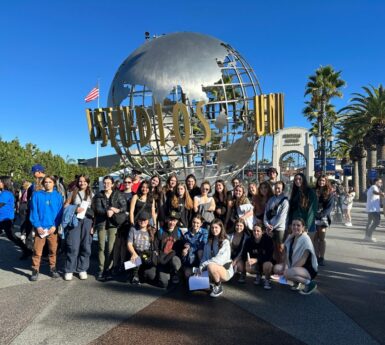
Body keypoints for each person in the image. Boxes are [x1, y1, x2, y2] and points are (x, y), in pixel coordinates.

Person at [93, 175, 127, 281]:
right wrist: (108, 211)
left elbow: (124, 206)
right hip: (102, 223)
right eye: (105, 182)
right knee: (101, 247)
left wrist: (116, 210)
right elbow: (97, 209)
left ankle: (108, 269)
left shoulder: (118, 194)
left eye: (108, 183)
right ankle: (101, 269)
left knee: (111, 248)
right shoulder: (99, 195)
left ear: (112, 184)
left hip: (113, 223)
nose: (106, 184)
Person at [29, 175, 63, 281]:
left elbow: (60, 213)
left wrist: (55, 225)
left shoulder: (58, 196)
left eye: (50, 182)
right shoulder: (36, 195)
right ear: (43, 183)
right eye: (46, 182)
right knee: (37, 251)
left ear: (54, 183)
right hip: (40, 228)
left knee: (53, 250)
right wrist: (38, 226)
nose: (47, 184)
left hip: (52, 229)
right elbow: (33, 211)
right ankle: (35, 270)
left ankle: (53, 268)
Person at [274, 218, 318, 295]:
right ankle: (297, 283)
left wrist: (288, 271)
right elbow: (286, 257)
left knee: (287, 273)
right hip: (296, 267)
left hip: (308, 269)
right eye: (294, 225)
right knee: (276, 268)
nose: (295, 227)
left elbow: (303, 260)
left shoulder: (306, 239)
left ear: (303, 227)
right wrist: (284, 268)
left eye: (298, 225)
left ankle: (309, 283)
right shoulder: (290, 237)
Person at [63, 175, 94, 281]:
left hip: (87, 221)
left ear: (88, 183)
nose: (82, 183)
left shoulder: (92, 194)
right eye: (80, 181)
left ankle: (82, 269)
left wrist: (93, 225)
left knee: (86, 246)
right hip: (75, 221)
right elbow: (65, 206)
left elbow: (96, 211)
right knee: (73, 246)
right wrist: (75, 208)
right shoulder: (73, 193)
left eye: (84, 181)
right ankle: (69, 270)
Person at [198, 219, 234, 298]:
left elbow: (220, 260)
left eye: (216, 227)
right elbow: (205, 257)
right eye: (212, 228)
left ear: (221, 228)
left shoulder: (225, 242)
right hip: (210, 269)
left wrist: (204, 265)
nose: (214, 230)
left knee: (211, 266)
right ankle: (211, 283)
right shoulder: (209, 242)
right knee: (195, 283)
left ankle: (218, 286)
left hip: (224, 271)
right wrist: (200, 267)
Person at [0, 176, 32, 258]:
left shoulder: (6, 193)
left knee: (12, 236)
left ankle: (27, 250)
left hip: (5, 218)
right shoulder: (5, 192)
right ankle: (26, 250)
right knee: (11, 236)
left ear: (4, 183)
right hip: (4, 218)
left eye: (0, 181)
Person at [127, 212, 157, 285]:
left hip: (147, 256)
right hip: (136, 254)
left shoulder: (152, 231)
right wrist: (134, 254)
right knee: (130, 264)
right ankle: (134, 275)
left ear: (148, 221)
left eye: (144, 220)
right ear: (137, 220)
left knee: (151, 276)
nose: (142, 222)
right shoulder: (133, 229)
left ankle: (139, 272)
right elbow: (129, 244)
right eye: (141, 220)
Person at [154, 211, 184, 287]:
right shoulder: (160, 231)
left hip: (173, 258)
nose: (172, 223)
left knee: (175, 260)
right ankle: (164, 273)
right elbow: (156, 247)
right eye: (170, 220)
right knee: (164, 284)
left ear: (177, 221)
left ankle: (175, 273)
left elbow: (181, 247)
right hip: (163, 259)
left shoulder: (178, 232)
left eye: (174, 220)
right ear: (167, 220)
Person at [263, 181, 289, 264]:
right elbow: (266, 213)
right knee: (274, 248)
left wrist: (272, 227)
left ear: (282, 189)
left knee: (280, 248)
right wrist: (266, 224)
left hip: (279, 228)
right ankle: (277, 266)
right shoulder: (271, 199)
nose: (277, 190)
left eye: (279, 188)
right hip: (270, 227)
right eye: (276, 188)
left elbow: (282, 217)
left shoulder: (285, 201)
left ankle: (282, 267)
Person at [113, 176, 134, 273]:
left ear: (132, 183)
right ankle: (116, 265)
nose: (127, 184)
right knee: (118, 244)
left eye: (129, 182)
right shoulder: (118, 194)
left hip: (129, 223)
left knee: (126, 245)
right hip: (119, 222)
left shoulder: (134, 195)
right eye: (125, 182)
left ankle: (124, 265)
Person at [242, 224, 274, 289]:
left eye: (258, 231)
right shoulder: (249, 241)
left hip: (265, 262)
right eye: (254, 230)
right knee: (248, 266)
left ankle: (267, 279)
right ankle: (258, 275)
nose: (256, 232)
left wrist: (257, 259)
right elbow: (244, 254)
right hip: (255, 264)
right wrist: (248, 259)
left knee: (268, 265)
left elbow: (269, 256)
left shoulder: (268, 240)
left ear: (262, 231)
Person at [288, 173, 318, 238]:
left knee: (307, 246)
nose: (297, 181)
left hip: (307, 225)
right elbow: (291, 210)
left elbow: (312, 211)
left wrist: (307, 226)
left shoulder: (310, 192)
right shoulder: (295, 192)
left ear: (303, 180)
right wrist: (290, 223)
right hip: (296, 224)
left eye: (299, 179)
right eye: (295, 179)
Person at [314, 175, 334, 266]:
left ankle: (321, 257)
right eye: (319, 180)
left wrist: (321, 215)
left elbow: (329, 208)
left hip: (323, 217)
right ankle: (315, 256)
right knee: (315, 238)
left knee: (321, 238)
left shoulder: (329, 193)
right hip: (314, 217)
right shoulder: (314, 191)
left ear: (326, 181)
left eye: (323, 180)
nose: (321, 182)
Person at [181, 215, 208, 279]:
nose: (195, 224)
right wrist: (185, 250)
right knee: (188, 278)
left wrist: (190, 246)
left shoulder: (204, 232)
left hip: (200, 259)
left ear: (201, 224)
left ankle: (202, 271)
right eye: (194, 222)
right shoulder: (186, 235)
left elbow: (203, 244)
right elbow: (185, 246)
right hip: (190, 260)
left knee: (200, 251)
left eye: (197, 223)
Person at [229, 218, 249, 283]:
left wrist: (235, 261)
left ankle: (242, 273)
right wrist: (229, 259)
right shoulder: (229, 235)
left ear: (244, 227)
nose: (239, 227)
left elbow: (242, 251)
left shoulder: (246, 237)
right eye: (237, 225)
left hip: (240, 256)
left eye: (241, 226)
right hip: (230, 256)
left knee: (239, 266)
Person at [365, 178, 384, 242]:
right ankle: (369, 236)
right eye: (380, 182)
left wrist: (380, 193)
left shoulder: (373, 187)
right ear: (376, 182)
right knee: (376, 222)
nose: (381, 183)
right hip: (373, 209)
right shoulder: (374, 187)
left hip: (371, 208)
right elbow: (374, 192)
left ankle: (366, 236)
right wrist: (381, 194)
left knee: (369, 222)